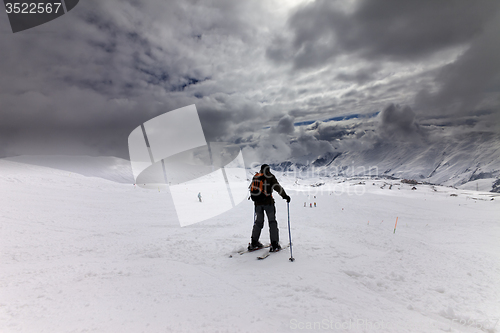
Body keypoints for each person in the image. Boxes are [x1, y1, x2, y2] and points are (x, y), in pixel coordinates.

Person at [248, 164, 291, 252]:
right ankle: (274, 244)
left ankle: (254, 242)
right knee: (272, 222)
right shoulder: (270, 177)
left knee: (258, 222)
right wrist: (285, 196)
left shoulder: (256, 176)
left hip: (257, 204)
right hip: (268, 203)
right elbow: (277, 187)